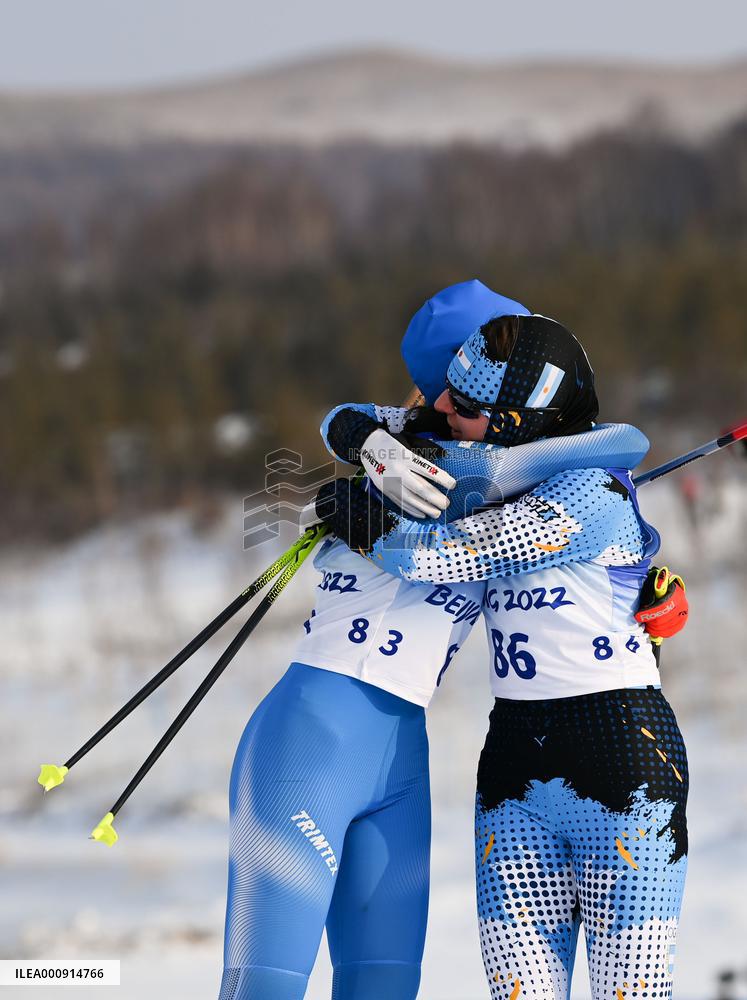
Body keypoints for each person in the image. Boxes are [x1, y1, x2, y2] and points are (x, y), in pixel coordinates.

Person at [313, 313, 688, 999]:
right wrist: (361, 438)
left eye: (467, 406)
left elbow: (451, 556)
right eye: (446, 394)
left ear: (520, 421)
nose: (443, 411)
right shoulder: (484, 453)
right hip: (516, 765)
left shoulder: (591, 493)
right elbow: (349, 418)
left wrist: (366, 523)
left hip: (623, 764)